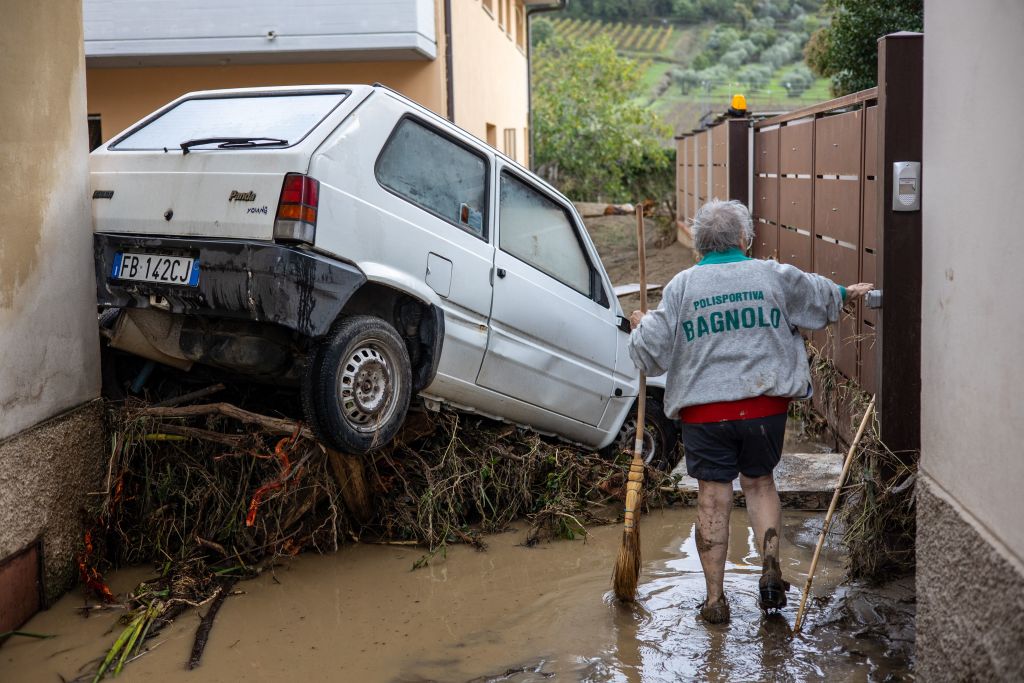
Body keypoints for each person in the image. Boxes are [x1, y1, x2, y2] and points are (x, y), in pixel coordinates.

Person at [628, 198, 872, 624]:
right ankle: (771, 568)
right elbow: (820, 296)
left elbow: (649, 355)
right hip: (764, 409)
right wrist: (845, 293)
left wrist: (639, 327)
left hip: (704, 415)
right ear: (744, 239)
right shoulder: (771, 275)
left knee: (713, 496)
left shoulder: (681, 287)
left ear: (699, 245)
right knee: (759, 484)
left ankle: (715, 600)